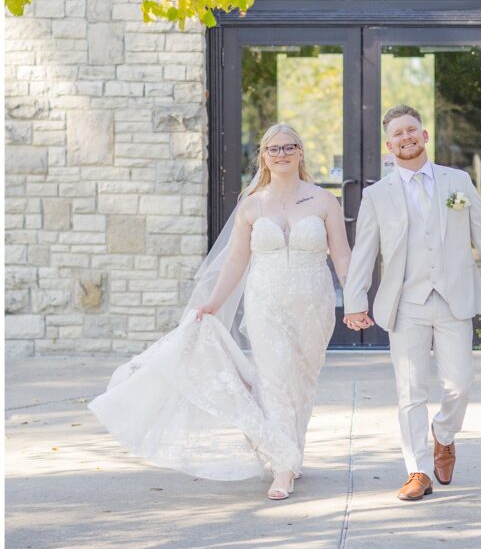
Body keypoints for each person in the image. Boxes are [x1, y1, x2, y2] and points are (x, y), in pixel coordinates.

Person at [89, 123, 353, 501]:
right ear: (263, 156)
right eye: (273, 149)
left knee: (301, 383)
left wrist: (355, 298)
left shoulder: (323, 201)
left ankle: (291, 451)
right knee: (276, 380)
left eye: (289, 147)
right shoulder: (252, 205)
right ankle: (282, 466)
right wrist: (212, 301)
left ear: (300, 152)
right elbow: (235, 261)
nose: (281, 154)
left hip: (314, 305)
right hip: (266, 303)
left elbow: (342, 254)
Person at [343, 105, 481, 502]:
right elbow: (363, 253)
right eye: (398, 134)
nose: (406, 138)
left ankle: (444, 434)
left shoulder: (457, 181)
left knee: (459, 385)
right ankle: (418, 471)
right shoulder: (377, 195)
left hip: (452, 299)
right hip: (405, 303)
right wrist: (354, 301)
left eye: (412, 130)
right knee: (410, 390)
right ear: (389, 145)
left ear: (424, 136)